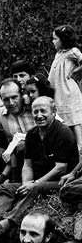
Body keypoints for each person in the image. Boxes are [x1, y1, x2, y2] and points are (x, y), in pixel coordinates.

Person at [0, 97, 76, 237]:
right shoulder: (32, 134)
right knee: (6, 187)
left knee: (34, 188)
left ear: (54, 112)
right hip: (38, 180)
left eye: (43, 111)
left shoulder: (63, 132)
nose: (39, 115)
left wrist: (34, 184)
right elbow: (27, 165)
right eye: (35, 111)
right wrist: (25, 184)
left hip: (61, 182)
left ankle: (5, 224)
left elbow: (60, 167)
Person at [49, 24, 82, 153]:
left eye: (55, 39)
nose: (53, 42)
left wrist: (74, 72)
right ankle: (67, 146)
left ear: (64, 39)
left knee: (74, 119)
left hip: (68, 91)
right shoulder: (58, 54)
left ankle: (80, 148)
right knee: (62, 118)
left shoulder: (72, 52)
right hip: (58, 92)